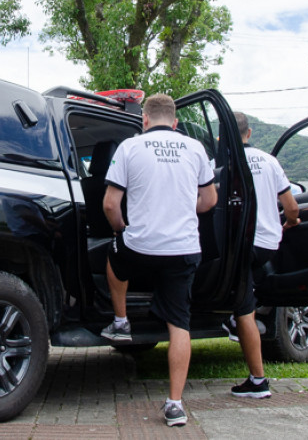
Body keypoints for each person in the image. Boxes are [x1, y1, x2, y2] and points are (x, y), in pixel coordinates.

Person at [99, 94, 217, 427]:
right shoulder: (195, 149)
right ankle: (175, 405)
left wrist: (122, 231)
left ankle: (121, 323)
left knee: (114, 258)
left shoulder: (130, 147)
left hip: (141, 247)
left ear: (145, 120)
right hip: (183, 249)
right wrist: (181, 206)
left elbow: (110, 204)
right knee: (180, 324)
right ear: (175, 122)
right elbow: (209, 199)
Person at [222, 112, 300, 399]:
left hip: (236, 245)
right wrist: (291, 223)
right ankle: (236, 314)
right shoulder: (270, 162)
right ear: (249, 133)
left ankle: (258, 380)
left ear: (223, 136)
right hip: (267, 243)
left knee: (243, 310)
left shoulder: (222, 163)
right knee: (246, 289)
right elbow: (291, 207)